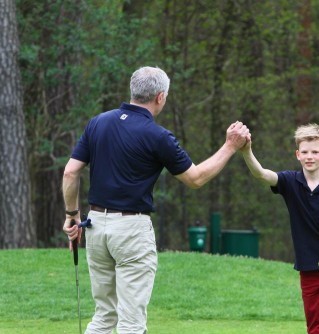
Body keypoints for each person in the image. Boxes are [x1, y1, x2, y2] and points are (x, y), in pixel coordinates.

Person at [62, 66, 249, 333]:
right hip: (130, 230)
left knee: (104, 317)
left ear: (133, 90)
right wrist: (230, 146)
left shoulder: (98, 122)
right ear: (160, 97)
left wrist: (72, 215)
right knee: (131, 322)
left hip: (94, 227)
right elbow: (195, 178)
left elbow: (70, 171)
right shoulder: (158, 136)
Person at [240, 123, 319, 334]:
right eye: (305, 152)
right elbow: (262, 174)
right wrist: (247, 151)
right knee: (317, 330)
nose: (310, 156)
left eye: (315, 152)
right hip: (310, 269)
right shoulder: (290, 182)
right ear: (298, 154)